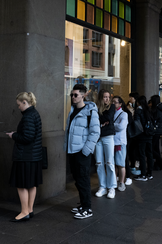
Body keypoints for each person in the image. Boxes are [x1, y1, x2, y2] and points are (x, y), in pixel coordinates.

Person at [65, 84, 100, 220]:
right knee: (78, 180)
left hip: (82, 152)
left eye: (76, 95)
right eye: (71, 95)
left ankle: (87, 208)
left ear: (83, 95)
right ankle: (82, 204)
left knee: (84, 180)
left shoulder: (90, 111)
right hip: (72, 151)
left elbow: (95, 132)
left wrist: (86, 150)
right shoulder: (72, 110)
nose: (73, 97)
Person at [7, 92, 42, 222]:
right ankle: (30, 209)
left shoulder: (28, 116)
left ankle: (24, 211)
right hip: (34, 155)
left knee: (21, 184)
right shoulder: (35, 113)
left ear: (24, 102)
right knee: (32, 184)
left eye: (19, 105)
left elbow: (27, 137)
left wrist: (13, 135)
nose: (18, 107)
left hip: (25, 156)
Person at [94, 89, 117, 199]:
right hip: (98, 137)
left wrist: (101, 121)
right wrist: (102, 122)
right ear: (101, 98)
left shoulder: (112, 107)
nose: (107, 99)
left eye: (108, 97)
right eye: (105, 97)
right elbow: (95, 120)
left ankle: (111, 187)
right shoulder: (96, 107)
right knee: (99, 163)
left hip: (108, 136)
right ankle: (102, 186)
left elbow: (109, 117)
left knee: (109, 162)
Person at [112, 96, 131, 191]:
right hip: (112, 142)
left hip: (120, 142)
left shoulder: (124, 114)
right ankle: (114, 182)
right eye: (113, 102)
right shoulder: (111, 113)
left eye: (115, 102)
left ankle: (122, 182)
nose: (113, 104)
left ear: (120, 104)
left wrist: (110, 124)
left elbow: (121, 127)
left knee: (120, 164)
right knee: (113, 164)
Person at [133, 96, 154, 181]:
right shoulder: (148, 110)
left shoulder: (139, 110)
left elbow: (137, 123)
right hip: (149, 134)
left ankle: (143, 174)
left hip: (142, 135)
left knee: (142, 154)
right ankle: (150, 173)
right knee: (149, 154)